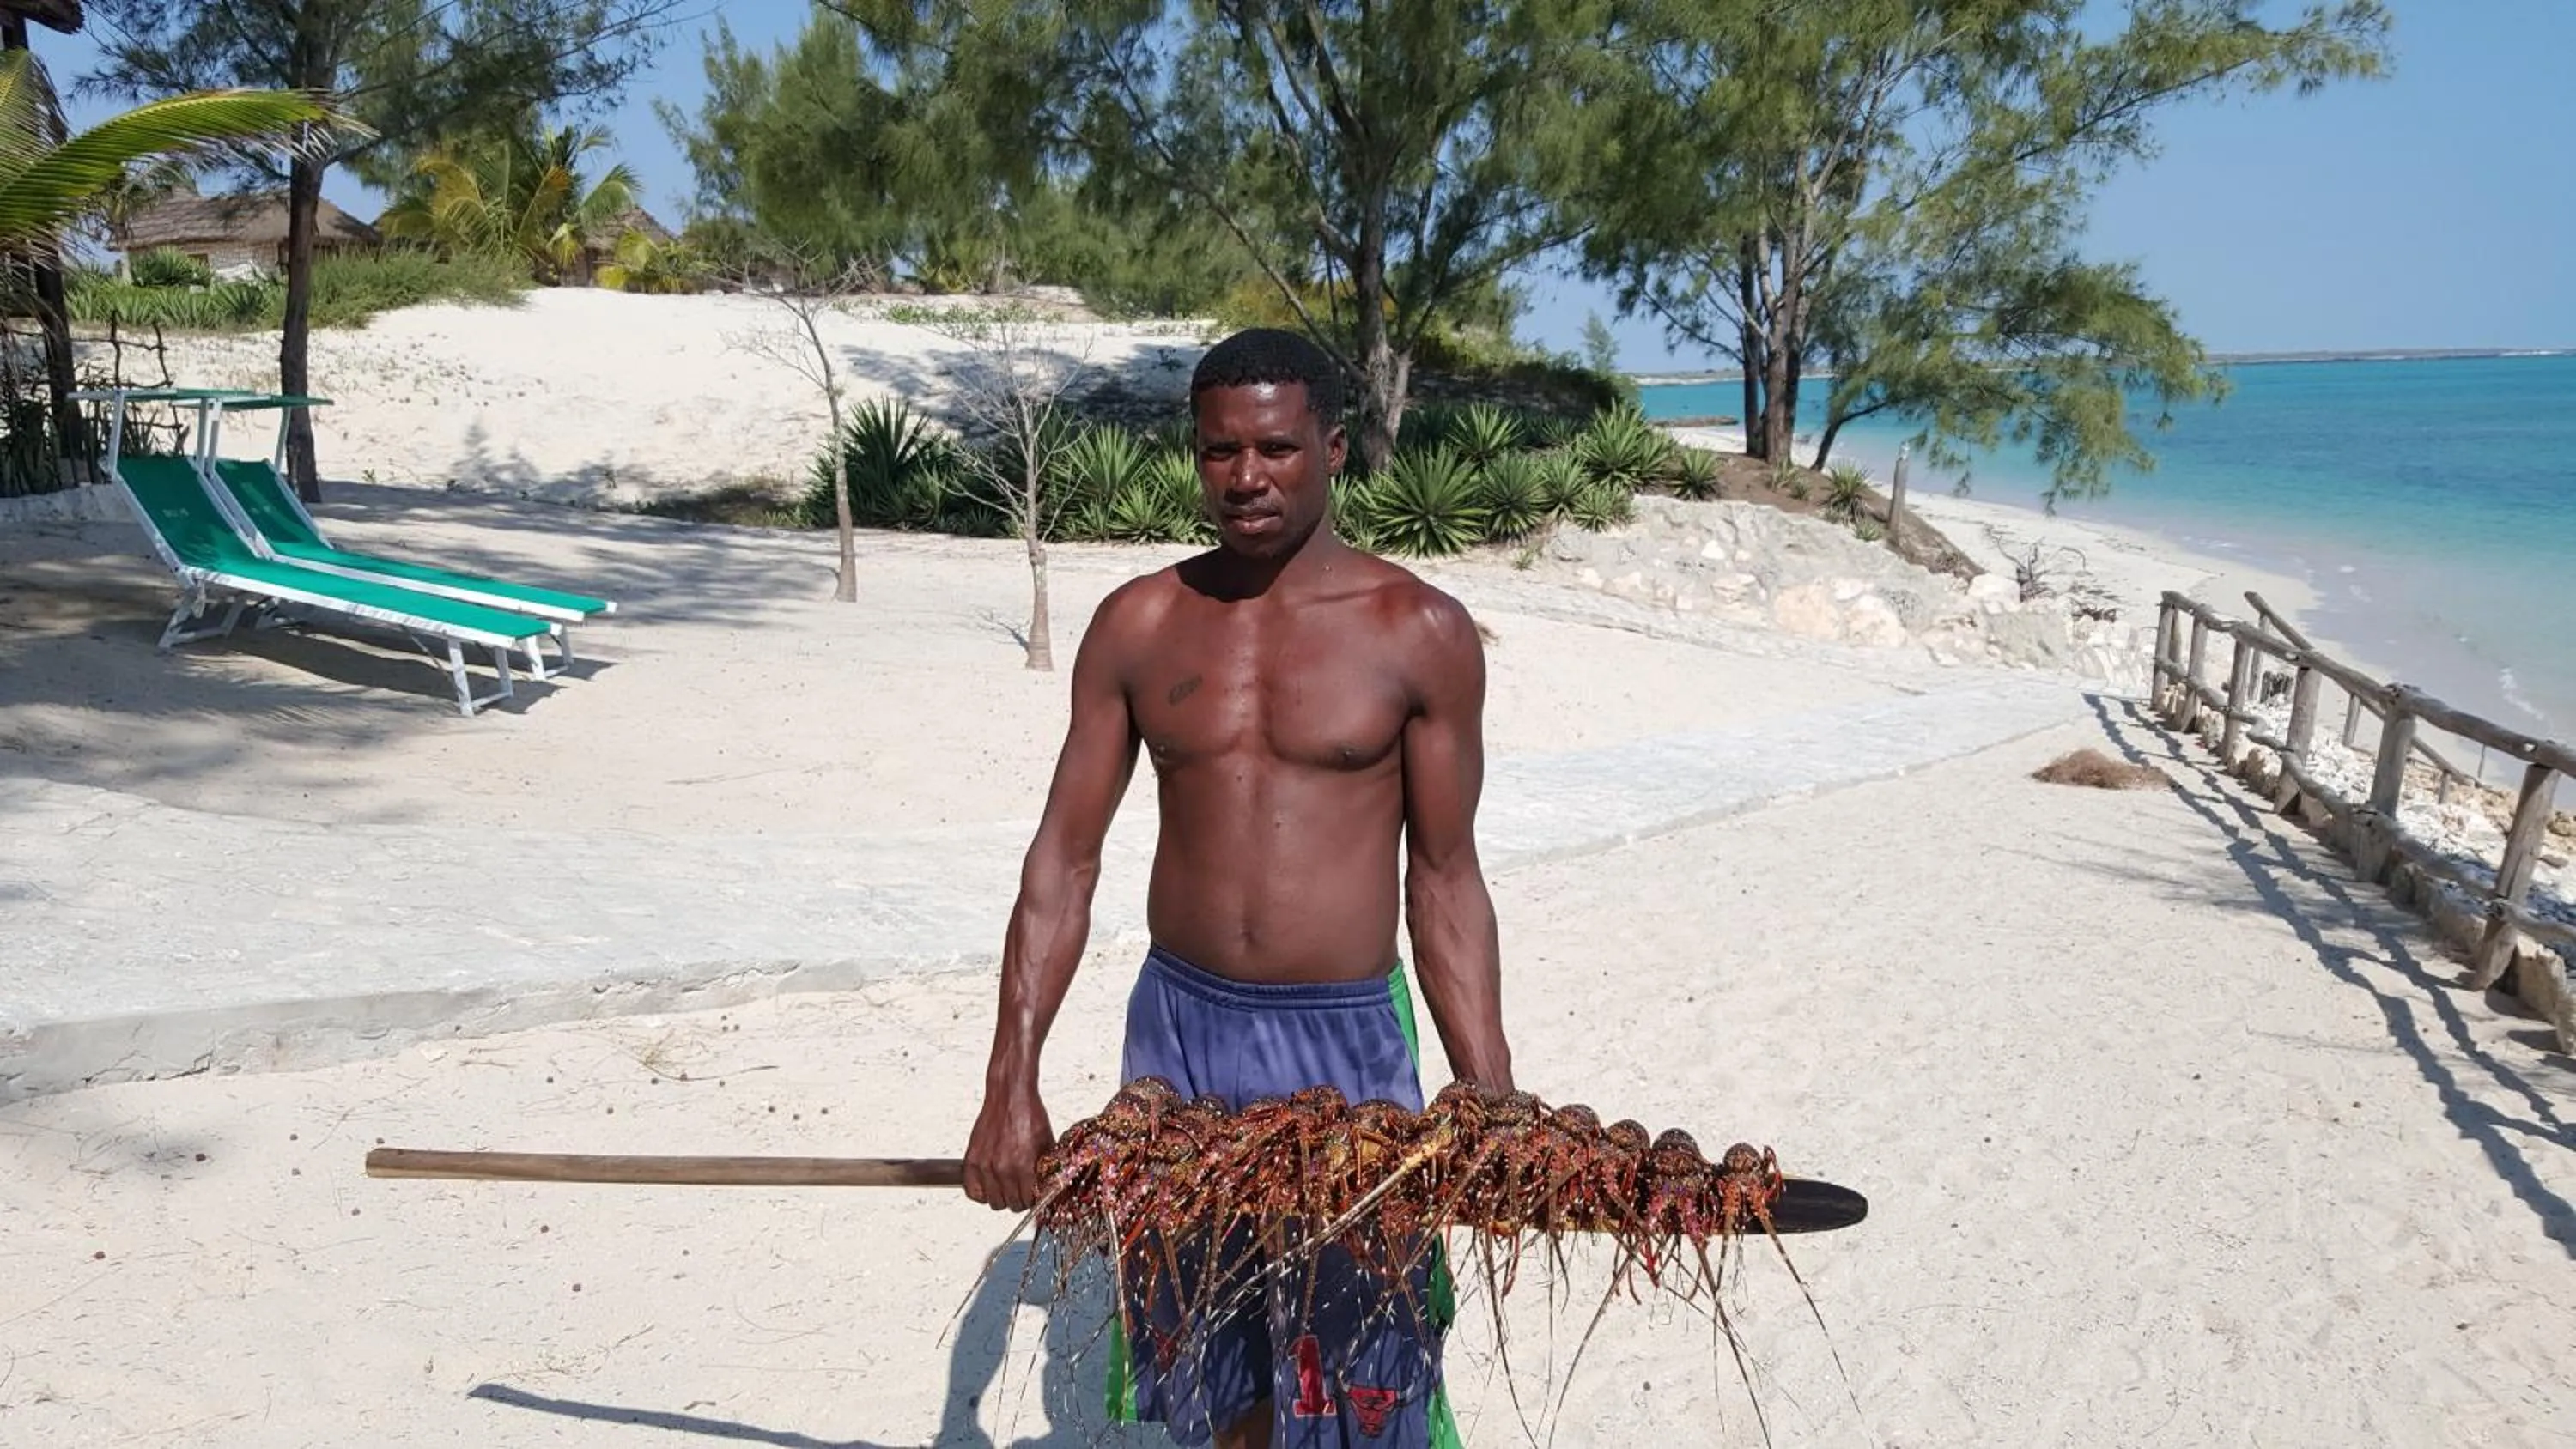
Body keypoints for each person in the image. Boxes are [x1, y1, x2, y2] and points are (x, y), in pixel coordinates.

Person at [961, 326, 1516, 1449]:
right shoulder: (1141, 623)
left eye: (1276, 448)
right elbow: (1063, 863)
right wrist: (1008, 1079)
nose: (1248, 477)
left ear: (1335, 447)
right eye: (1221, 452)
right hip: (1179, 1040)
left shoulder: (1420, 634)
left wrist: (1489, 1091)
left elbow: (1446, 879)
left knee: (1362, 1375)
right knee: (1218, 1372)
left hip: (1344, 1047)